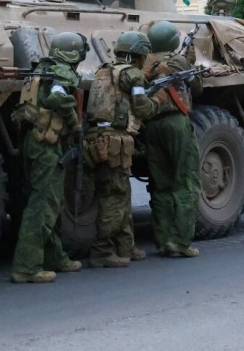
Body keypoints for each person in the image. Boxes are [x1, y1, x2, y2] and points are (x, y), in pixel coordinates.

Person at [10, 32, 84, 284]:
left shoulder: (42, 68)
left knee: (49, 201)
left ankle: (54, 256)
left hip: (36, 143)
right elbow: (58, 98)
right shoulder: (59, 73)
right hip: (46, 146)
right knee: (43, 204)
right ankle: (27, 267)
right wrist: (74, 124)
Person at [85, 32, 158, 268]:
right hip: (114, 140)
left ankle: (126, 246)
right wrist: (158, 102)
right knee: (114, 197)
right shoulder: (133, 75)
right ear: (138, 55)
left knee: (122, 194)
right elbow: (141, 107)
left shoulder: (103, 70)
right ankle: (102, 251)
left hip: (98, 138)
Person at [141, 21, 201, 258]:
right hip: (176, 122)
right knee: (186, 182)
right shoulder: (178, 61)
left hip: (152, 125)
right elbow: (197, 87)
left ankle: (163, 239)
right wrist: (190, 61)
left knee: (161, 184)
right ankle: (180, 241)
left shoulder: (145, 62)